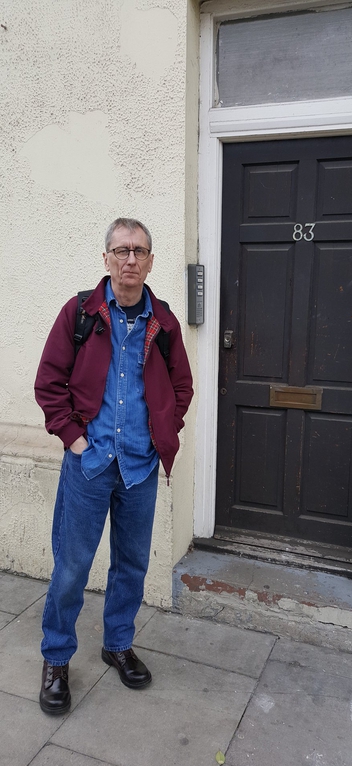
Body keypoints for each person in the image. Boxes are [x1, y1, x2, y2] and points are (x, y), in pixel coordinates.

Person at [34, 218, 193, 714]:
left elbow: (181, 388)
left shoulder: (163, 323)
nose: (130, 260)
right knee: (72, 566)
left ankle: (118, 643)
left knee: (132, 564)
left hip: (141, 467)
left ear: (150, 260)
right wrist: (73, 439)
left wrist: (163, 430)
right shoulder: (80, 313)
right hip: (89, 463)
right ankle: (57, 657)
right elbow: (49, 381)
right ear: (105, 259)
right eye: (121, 250)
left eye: (139, 251)